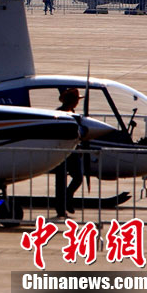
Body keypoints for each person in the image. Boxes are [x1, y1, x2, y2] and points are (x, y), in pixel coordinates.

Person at [54, 88, 84, 217]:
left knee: (78, 177)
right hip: (61, 151)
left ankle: (67, 196)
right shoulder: (58, 113)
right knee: (60, 180)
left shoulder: (74, 113)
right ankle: (60, 207)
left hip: (73, 151)